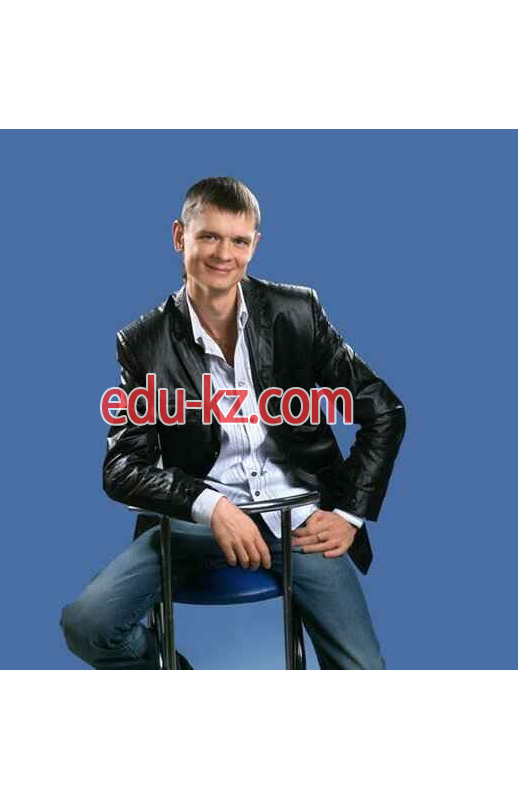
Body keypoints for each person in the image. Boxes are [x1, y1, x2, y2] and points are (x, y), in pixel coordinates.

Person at [60, 177, 406, 669]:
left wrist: (349, 513)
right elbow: (121, 467)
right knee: (88, 625)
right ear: (179, 236)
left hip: (298, 522)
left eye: (239, 240)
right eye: (209, 236)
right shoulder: (143, 342)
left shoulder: (296, 312)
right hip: (194, 525)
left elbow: (384, 410)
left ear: (254, 245)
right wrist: (212, 507)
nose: (224, 254)